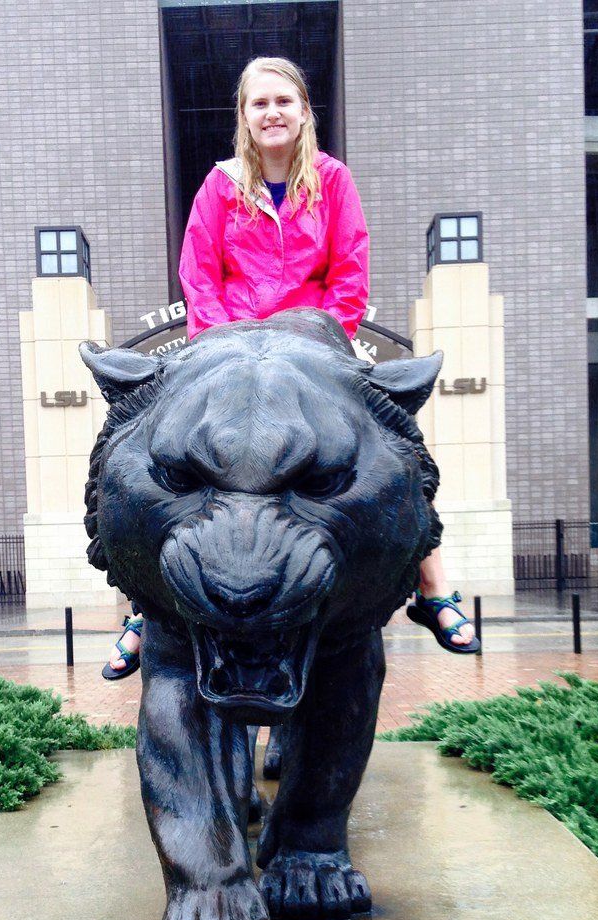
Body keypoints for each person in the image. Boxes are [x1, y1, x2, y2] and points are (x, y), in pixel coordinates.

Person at [103, 56, 478, 679]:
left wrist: (324, 341)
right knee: (148, 454)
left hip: (315, 343)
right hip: (226, 345)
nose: (272, 113)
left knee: (397, 448)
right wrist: (224, 346)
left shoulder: (333, 181)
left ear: (304, 111)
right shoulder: (219, 186)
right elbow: (200, 276)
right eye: (259, 104)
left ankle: (433, 587)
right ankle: (142, 606)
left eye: (283, 101)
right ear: (244, 118)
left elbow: (349, 275)